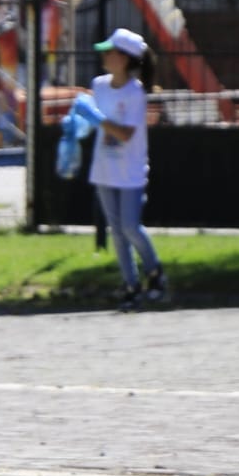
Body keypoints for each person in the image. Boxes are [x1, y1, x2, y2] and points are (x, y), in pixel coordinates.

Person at [87, 27, 167, 309]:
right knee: (116, 231)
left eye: (109, 51)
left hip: (130, 170)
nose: (104, 56)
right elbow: (88, 122)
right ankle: (130, 285)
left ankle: (155, 271)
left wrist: (95, 117)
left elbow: (126, 134)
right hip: (104, 169)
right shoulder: (98, 85)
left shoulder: (135, 93)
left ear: (123, 58)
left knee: (131, 226)